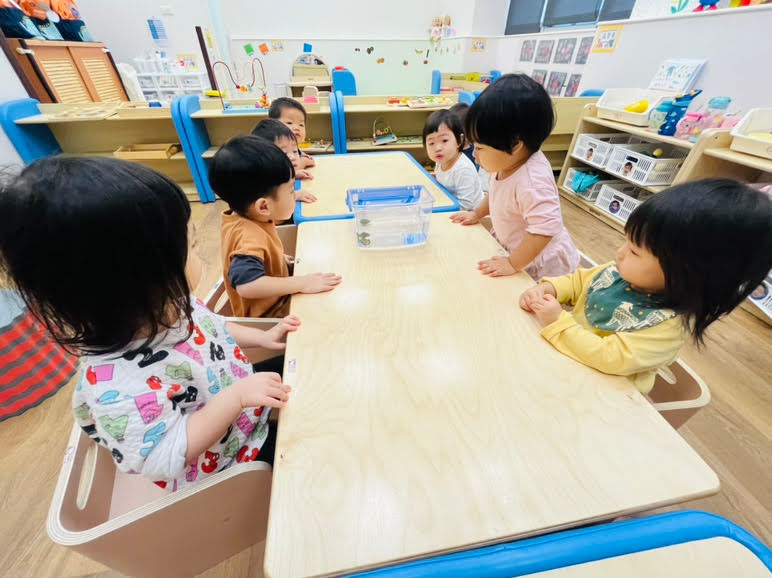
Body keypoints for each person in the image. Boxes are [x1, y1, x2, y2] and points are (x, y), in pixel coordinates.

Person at [0, 156, 300, 488]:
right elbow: (162, 459)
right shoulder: (117, 386)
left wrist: (263, 338)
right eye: (192, 247)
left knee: (304, 365)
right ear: (140, 279)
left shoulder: (168, 304)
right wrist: (236, 398)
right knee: (307, 454)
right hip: (231, 460)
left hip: (243, 404)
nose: (200, 254)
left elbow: (214, 327)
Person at [520, 179, 772, 393]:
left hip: (601, 392)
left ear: (685, 274)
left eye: (634, 251)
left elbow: (610, 358)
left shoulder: (666, 326)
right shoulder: (621, 273)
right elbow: (578, 282)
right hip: (564, 362)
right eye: (627, 242)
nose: (620, 254)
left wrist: (558, 322)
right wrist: (550, 289)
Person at [451, 73, 579, 280]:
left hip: (541, 262)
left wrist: (512, 263)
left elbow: (544, 230)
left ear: (514, 145)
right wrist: (477, 214)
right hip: (516, 248)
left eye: (480, 148)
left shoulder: (532, 181)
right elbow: (496, 193)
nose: (474, 154)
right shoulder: (506, 161)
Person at [210, 135, 341, 319]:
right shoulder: (249, 236)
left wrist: (276, 259)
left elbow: (253, 253)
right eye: (291, 191)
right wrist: (302, 283)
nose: (294, 195)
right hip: (272, 315)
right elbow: (247, 286)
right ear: (263, 206)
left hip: (278, 301)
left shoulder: (245, 217)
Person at [423, 109, 483, 210]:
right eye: (431, 143)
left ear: (459, 140)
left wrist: (440, 206)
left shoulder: (463, 169)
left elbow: (466, 205)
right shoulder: (441, 161)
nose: (437, 148)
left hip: (472, 214)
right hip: (452, 206)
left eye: (444, 140)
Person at [252, 119, 317, 203]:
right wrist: (296, 195)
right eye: (284, 153)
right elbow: (272, 203)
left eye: (295, 151)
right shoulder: (261, 180)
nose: (292, 157)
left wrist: (292, 175)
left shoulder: (275, 174)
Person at [268, 97, 315, 170]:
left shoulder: (292, 148)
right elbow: (288, 169)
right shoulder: (275, 149)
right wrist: (304, 162)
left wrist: (302, 155)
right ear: (273, 124)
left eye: (301, 125)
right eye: (289, 123)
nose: (297, 128)